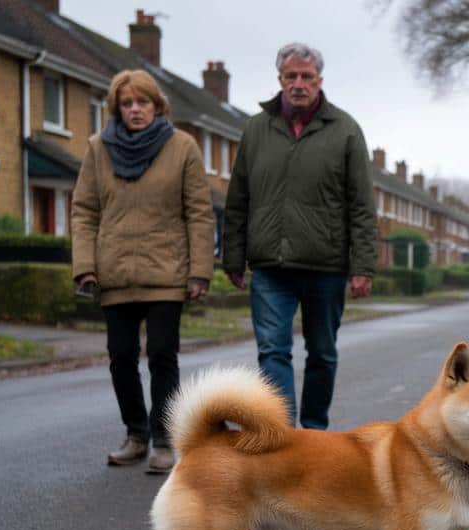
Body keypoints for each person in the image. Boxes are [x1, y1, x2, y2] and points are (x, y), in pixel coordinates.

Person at [222, 42, 377, 430]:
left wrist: (363, 267)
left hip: (325, 267)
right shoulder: (257, 129)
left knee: (322, 353)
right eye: (290, 76)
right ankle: (282, 435)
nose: (298, 83)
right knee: (272, 351)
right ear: (279, 80)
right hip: (270, 267)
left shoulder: (345, 130)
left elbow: (362, 206)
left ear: (319, 81)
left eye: (306, 76)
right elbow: (238, 197)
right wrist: (233, 256)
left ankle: (313, 431)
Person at [71, 69, 215, 474]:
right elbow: (83, 211)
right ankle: (135, 434)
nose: (135, 110)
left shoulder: (183, 146)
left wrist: (199, 272)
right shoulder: (98, 149)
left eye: (143, 102)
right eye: (128, 103)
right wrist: (84, 266)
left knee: (163, 357)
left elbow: (200, 214)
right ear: (118, 107)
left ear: (157, 106)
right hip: (114, 273)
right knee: (120, 357)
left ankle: (165, 439)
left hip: (167, 273)